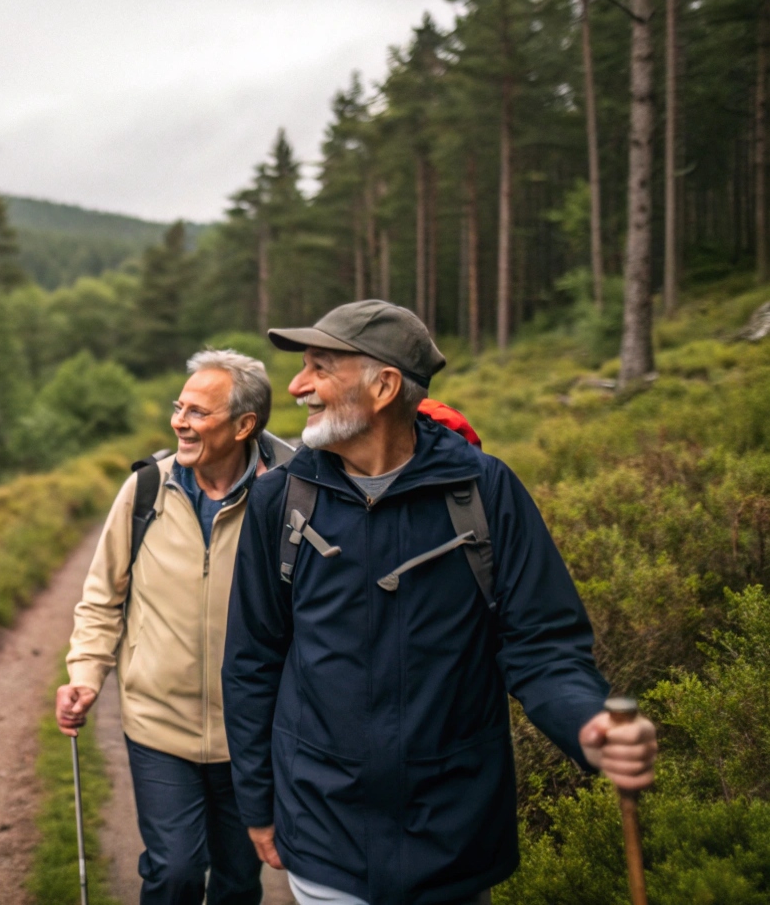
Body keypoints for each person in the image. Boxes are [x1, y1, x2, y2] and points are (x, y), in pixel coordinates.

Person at [222, 300, 659, 905]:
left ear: (384, 386)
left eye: (320, 368)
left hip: (453, 835)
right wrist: (259, 804)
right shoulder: (281, 501)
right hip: (324, 828)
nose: (297, 385)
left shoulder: (485, 490)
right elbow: (251, 662)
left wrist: (587, 724)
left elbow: (543, 646)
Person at [58, 349, 292, 905]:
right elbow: (101, 597)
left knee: (238, 880)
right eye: (178, 407)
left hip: (252, 734)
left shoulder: (285, 498)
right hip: (158, 725)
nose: (179, 422)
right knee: (176, 872)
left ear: (244, 425)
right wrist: (86, 674)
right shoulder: (145, 491)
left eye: (197, 413)